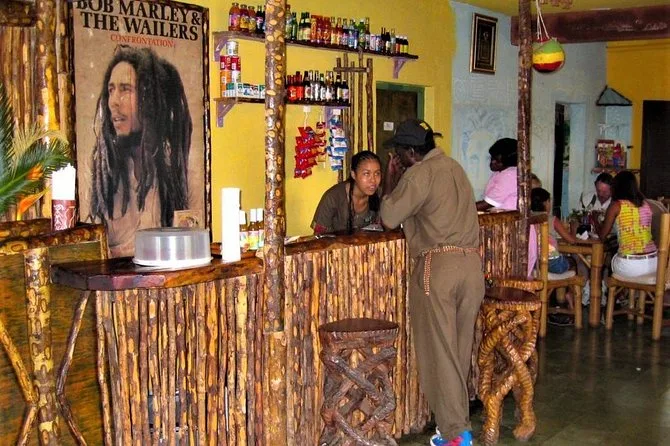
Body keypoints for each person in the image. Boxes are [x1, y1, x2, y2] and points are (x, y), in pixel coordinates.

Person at [380, 119, 482, 446]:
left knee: (441, 353)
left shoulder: (419, 173)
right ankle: (454, 428)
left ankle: (457, 434)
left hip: (438, 267)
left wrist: (392, 177)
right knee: (458, 351)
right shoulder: (454, 168)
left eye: (399, 153)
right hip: (471, 267)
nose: (396, 158)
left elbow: (388, 217)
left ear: (411, 152)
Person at [89, 45, 193, 257]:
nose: (113, 102)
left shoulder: (181, 176)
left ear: (150, 100)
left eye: (125, 89)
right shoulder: (100, 174)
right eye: (111, 90)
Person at [596, 170, 657, 278]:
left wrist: (594, 219)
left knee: (608, 262)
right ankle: (626, 289)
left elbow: (602, 236)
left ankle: (606, 286)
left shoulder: (616, 205)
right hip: (653, 263)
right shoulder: (646, 205)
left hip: (630, 265)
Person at [311, 150, 382, 234]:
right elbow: (318, 236)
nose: (373, 180)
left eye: (377, 173)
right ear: (353, 174)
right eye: (366, 174)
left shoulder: (379, 194)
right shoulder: (334, 197)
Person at [476, 138, 518, 212]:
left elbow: (488, 203)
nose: (493, 162)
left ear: (509, 162)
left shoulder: (510, 176)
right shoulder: (500, 173)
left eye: (497, 161)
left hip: (509, 217)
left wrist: (461, 209)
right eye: (492, 158)